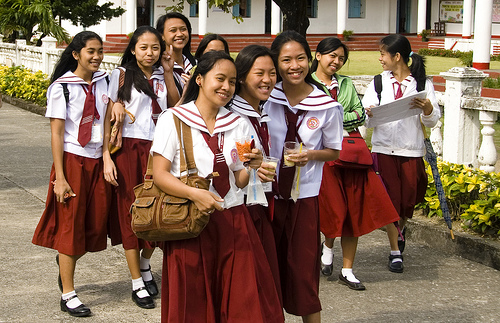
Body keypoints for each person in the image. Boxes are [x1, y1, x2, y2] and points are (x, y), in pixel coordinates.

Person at [151, 51, 283, 322]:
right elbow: (160, 175)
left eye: (232, 82)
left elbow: (239, 180)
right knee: (193, 303)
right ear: (199, 79)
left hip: (233, 221)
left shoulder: (237, 123)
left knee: (241, 302)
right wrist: (193, 193)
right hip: (190, 222)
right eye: (220, 79)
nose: (226, 87)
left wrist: (253, 167)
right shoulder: (173, 119)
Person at [264, 30, 343, 323]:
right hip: (267, 196)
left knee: (303, 272)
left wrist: (311, 155)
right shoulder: (265, 98)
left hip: (304, 197)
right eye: (286, 60)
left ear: (311, 60)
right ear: (276, 63)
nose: (294, 66)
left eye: (300, 58)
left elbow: (334, 150)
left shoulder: (326, 106)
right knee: (266, 269)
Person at [32, 31, 111, 317]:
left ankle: (64, 262)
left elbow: (107, 121)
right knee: (70, 226)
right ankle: (68, 293)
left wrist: (106, 156)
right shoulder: (62, 87)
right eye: (91, 51)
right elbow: (56, 134)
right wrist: (61, 177)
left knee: (94, 224)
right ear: (76, 54)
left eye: (100, 51)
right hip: (72, 161)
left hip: (97, 161)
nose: (97, 56)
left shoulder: (106, 81)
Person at [311, 37, 400, 290]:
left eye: (341, 58)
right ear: (318, 56)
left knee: (355, 210)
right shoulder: (307, 83)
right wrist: (339, 115)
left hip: (351, 154)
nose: (336, 62)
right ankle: (327, 247)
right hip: (324, 156)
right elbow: (312, 119)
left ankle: (347, 269)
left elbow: (360, 113)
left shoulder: (347, 83)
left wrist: (334, 116)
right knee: (333, 208)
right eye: (332, 56)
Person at [103, 26, 177, 309]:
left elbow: (175, 106)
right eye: (143, 47)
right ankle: (136, 281)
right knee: (131, 214)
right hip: (129, 151)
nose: (150, 53)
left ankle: (145, 265)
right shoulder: (120, 75)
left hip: (159, 150)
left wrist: (169, 72)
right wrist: (107, 157)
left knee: (159, 211)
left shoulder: (164, 75)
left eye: (155, 47)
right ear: (133, 49)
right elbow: (107, 116)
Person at [362, 34, 440, 273]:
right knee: (389, 201)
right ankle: (395, 251)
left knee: (406, 202)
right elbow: (365, 119)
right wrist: (370, 114)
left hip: (410, 149)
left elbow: (433, 120)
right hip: (384, 149)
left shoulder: (422, 84)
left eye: (383, 54)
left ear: (397, 56)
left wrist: (427, 110)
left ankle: (400, 230)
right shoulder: (378, 83)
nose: (380, 59)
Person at [229, 44, 281, 303]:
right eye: (259, 73)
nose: (267, 80)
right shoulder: (234, 115)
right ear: (241, 77)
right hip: (242, 206)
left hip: (261, 200)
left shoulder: (263, 110)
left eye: (272, 73)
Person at [156, 12, 196, 92]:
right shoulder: (157, 68)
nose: (180, 34)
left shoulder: (195, 64)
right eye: (173, 30)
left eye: (183, 29)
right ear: (162, 36)